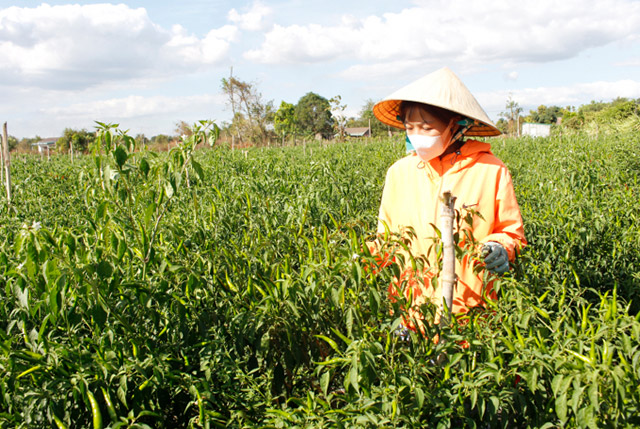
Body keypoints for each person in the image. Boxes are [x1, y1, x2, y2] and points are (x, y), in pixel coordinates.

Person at [370, 67, 526, 331]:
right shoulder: (400, 173)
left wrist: (501, 248)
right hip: (410, 309)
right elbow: (386, 239)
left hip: (471, 309)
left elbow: (510, 231)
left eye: (426, 127)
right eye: (410, 127)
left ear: (455, 125)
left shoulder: (490, 170)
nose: (416, 135)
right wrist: (360, 261)